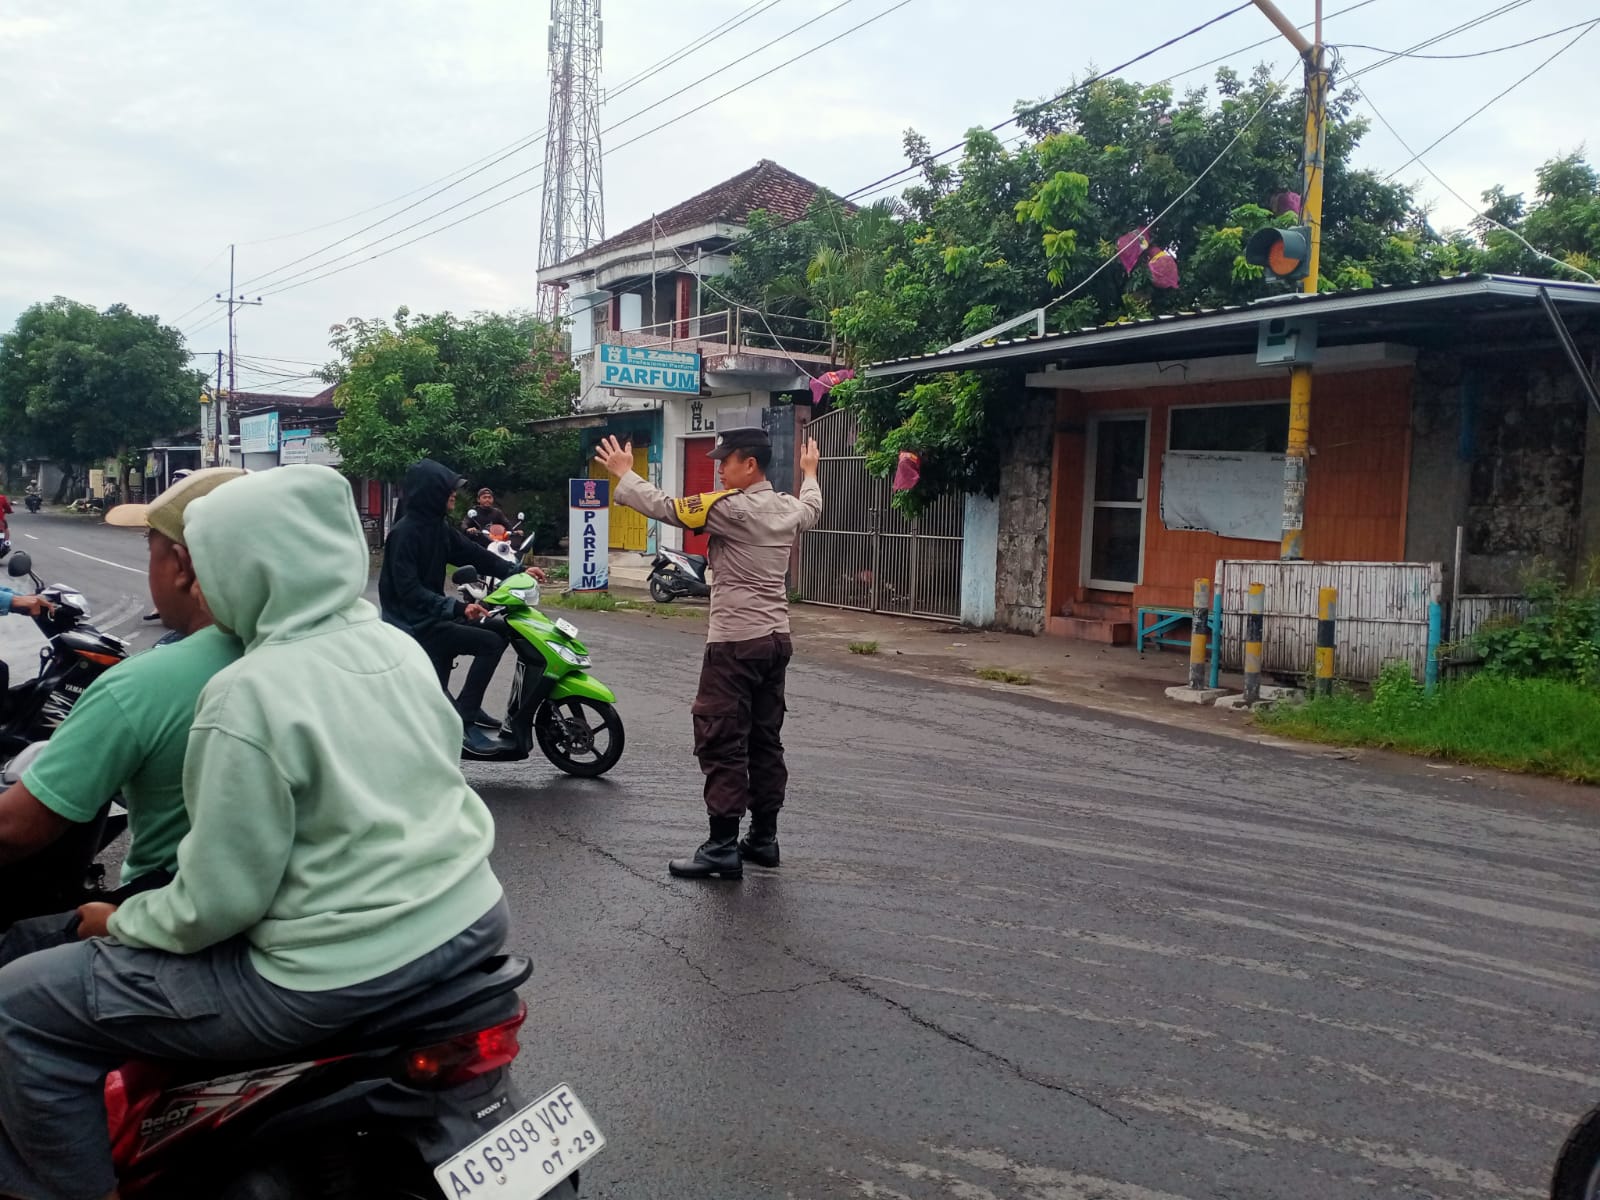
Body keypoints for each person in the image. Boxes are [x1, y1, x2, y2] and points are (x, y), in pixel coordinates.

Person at [0, 464, 507, 1200]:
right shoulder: (394, 646)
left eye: (210, 562)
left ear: (243, 567)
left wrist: (115, 919)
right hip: (471, 922)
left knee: (19, 1005)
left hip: (329, 976)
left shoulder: (247, 692)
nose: (201, 582)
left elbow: (218, 902)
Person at [0, 468, 245, 959]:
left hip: (177, 922)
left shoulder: (142, 683)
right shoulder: (327, 654)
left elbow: (14, 832)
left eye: (150, 548)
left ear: (181, 565)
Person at [596, 427, 822, 880]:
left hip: (736, 641)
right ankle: (763, 839)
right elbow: (813, 507)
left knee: (721, 738)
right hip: (776, 640)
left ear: (750, 465)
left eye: (726, 460)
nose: (719, 469)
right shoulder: (788, 507)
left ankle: (721, 846)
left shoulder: (730, 509)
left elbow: (667, 507)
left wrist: (625, 473)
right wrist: (810, 473)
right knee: (765, 740)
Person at [379, 460, 532, 752]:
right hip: (412, 624)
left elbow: (474, 553)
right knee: (489, 643)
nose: (453, 494)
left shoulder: (437, 527)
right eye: (448, 489)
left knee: (502, 629)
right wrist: (457, 608)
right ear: (430, 492)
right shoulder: (404, 534)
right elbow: (409, 592)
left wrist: (517, 572)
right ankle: (463, 720)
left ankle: (466, 706)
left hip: (432, 616)